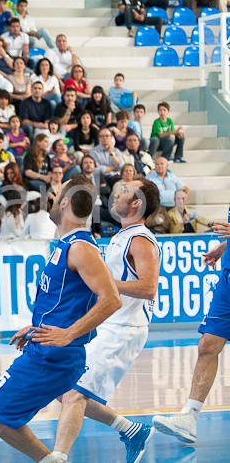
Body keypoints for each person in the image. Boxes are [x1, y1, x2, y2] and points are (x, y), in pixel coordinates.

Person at [0, 174, 120, 463]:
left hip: (54, 356)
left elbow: (111, 299)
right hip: (44, 348)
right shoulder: (68, 245)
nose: (51, 198)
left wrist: (68, 333)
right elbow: (66, 302)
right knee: (0, 417)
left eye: (56, 194)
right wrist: (36, 328)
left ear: (66, 203)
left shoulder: (81, 248)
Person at [51, 178, 161, 463]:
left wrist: (107, 284)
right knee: (63, 388)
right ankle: (131, 430)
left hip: (125, 329)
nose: (118, 192)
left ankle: (58, 458)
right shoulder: (121, 235)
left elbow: (149, 287)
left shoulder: (140, 239)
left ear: (137, 203)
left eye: (126, 191)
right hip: (109, 325)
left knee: (74, 393)